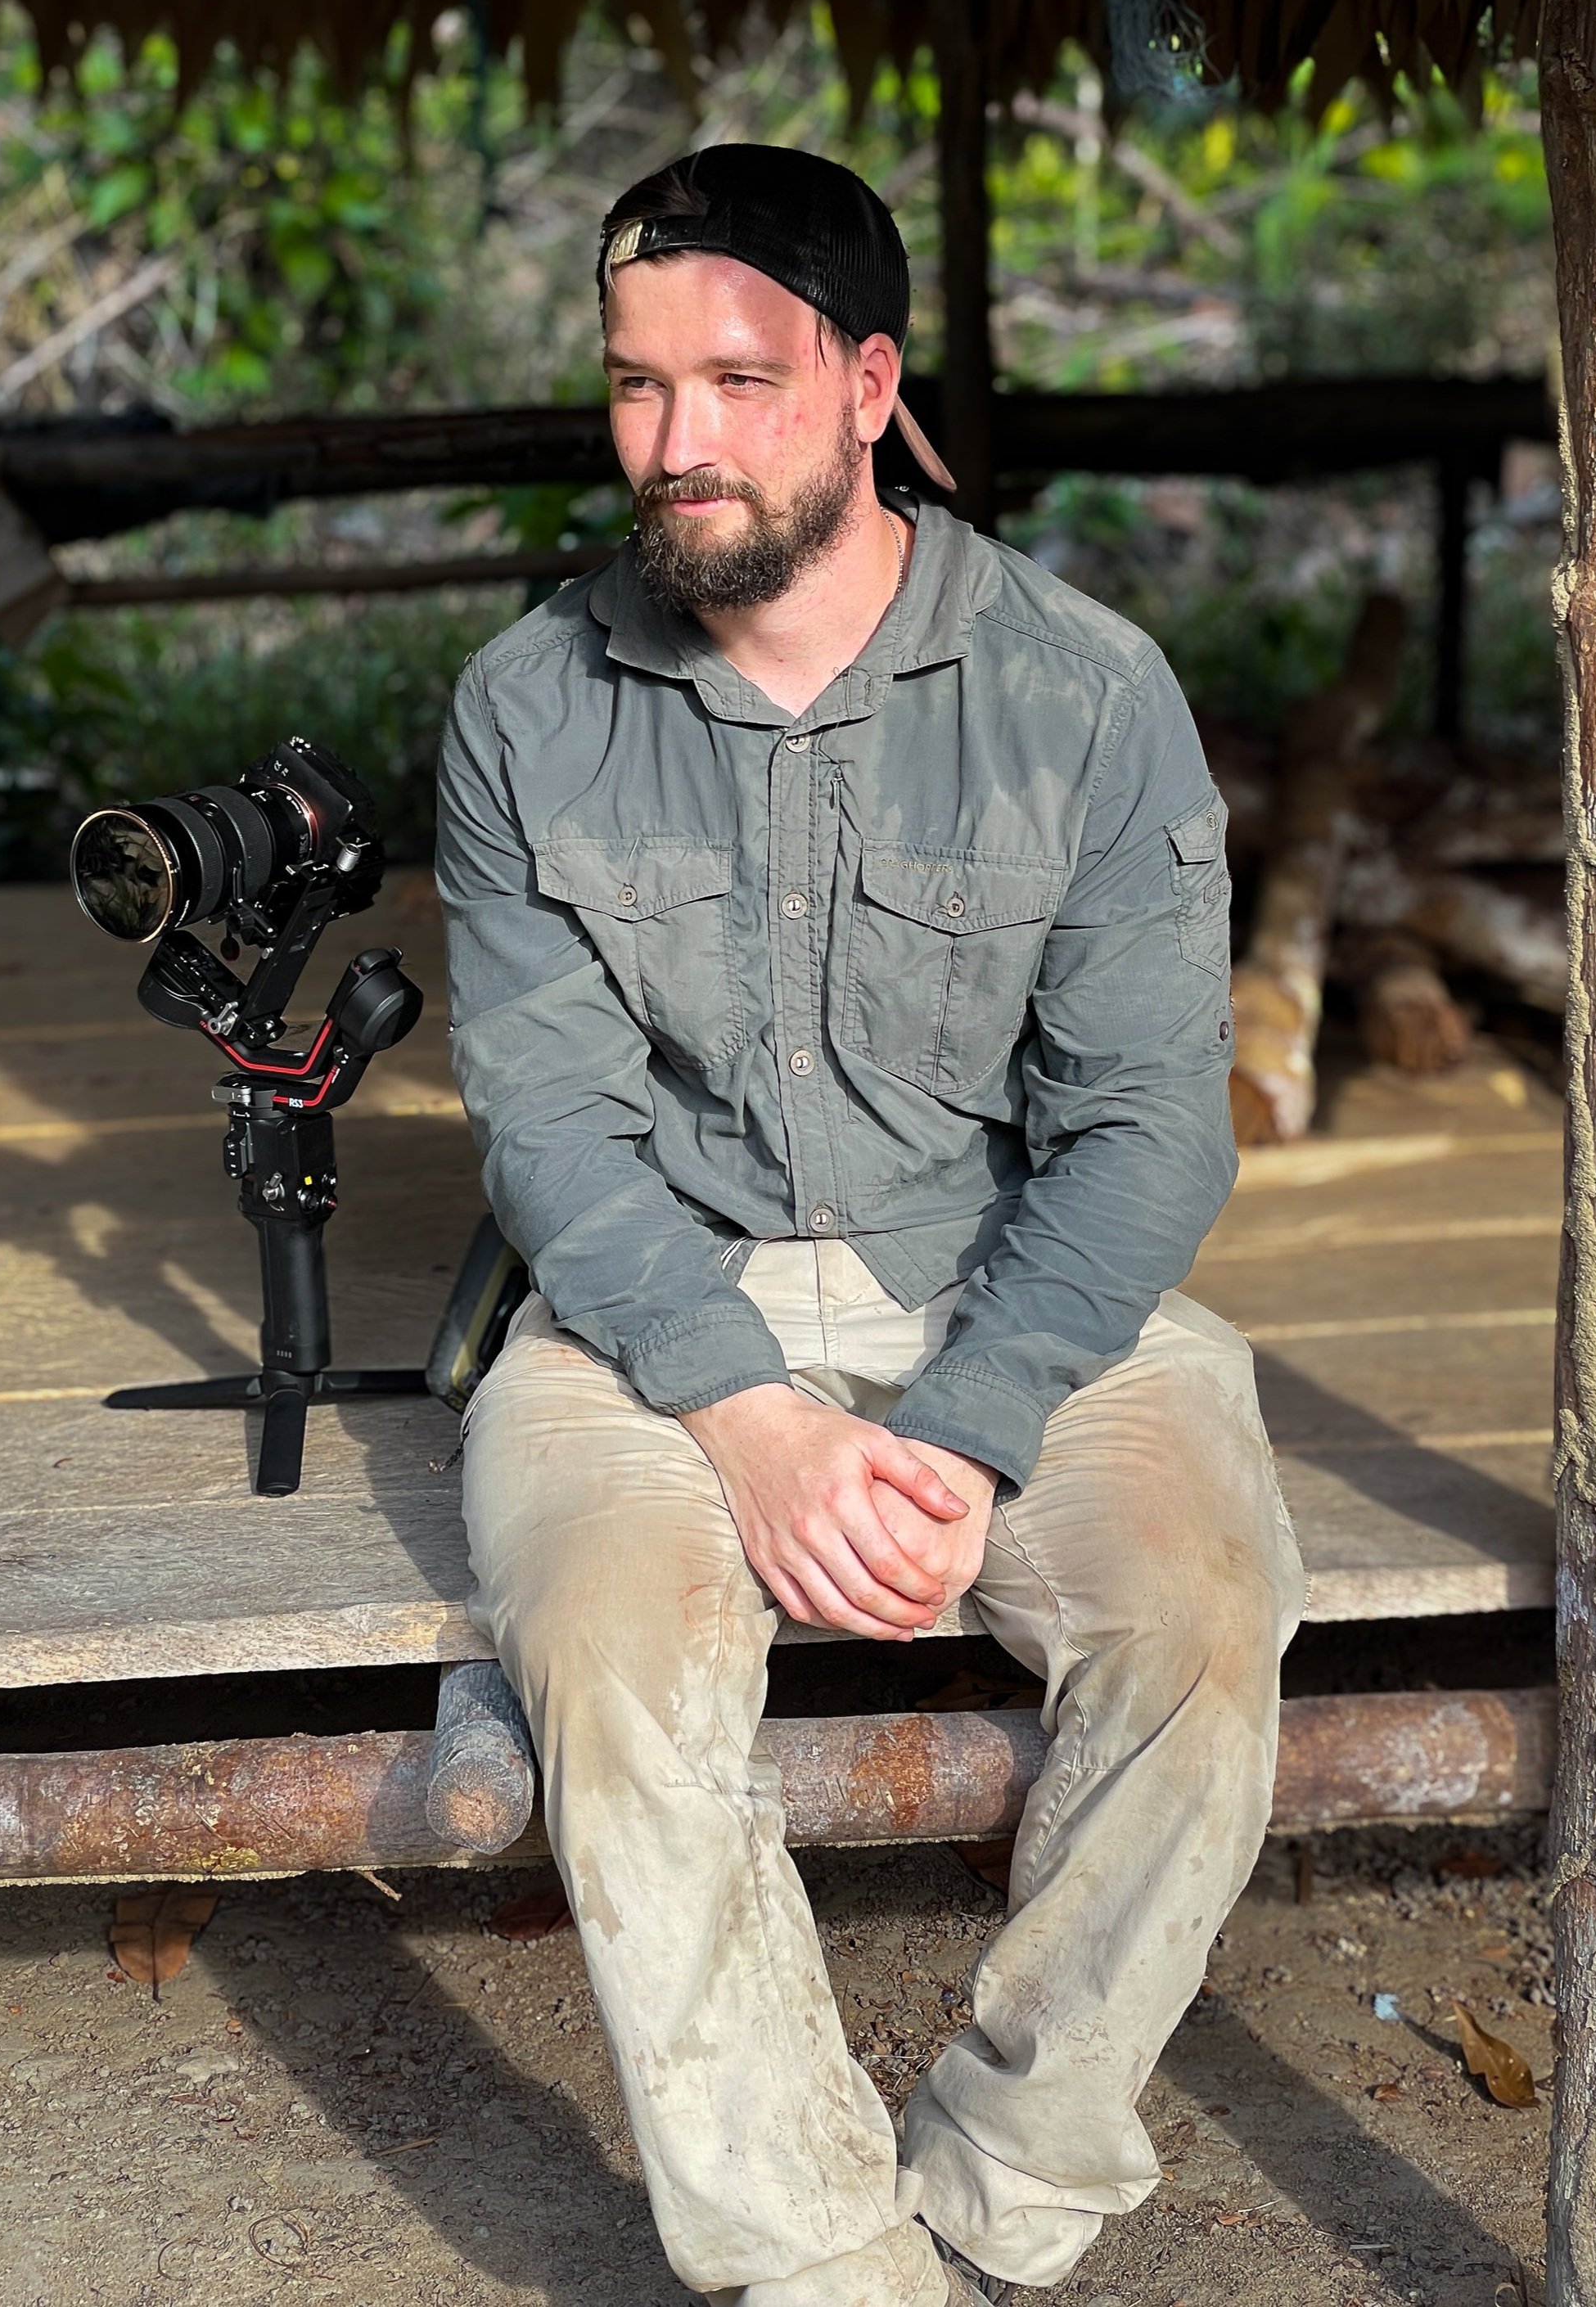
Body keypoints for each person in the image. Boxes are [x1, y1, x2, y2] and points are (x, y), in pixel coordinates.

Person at [436, 143, 1305, 2307]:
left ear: (866, 383)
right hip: (656, 1309)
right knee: (614, 1660)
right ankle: (829, 2263)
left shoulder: (1084, 697)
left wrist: (980, 1416)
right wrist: (747, 1414)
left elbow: (1143, 1136)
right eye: (639, 387)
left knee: (1203, 1614)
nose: (680, 441)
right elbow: (550, 1130)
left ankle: (1009, 2174)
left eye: (739, 380)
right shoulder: (530, 707)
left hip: (1006, 1285)